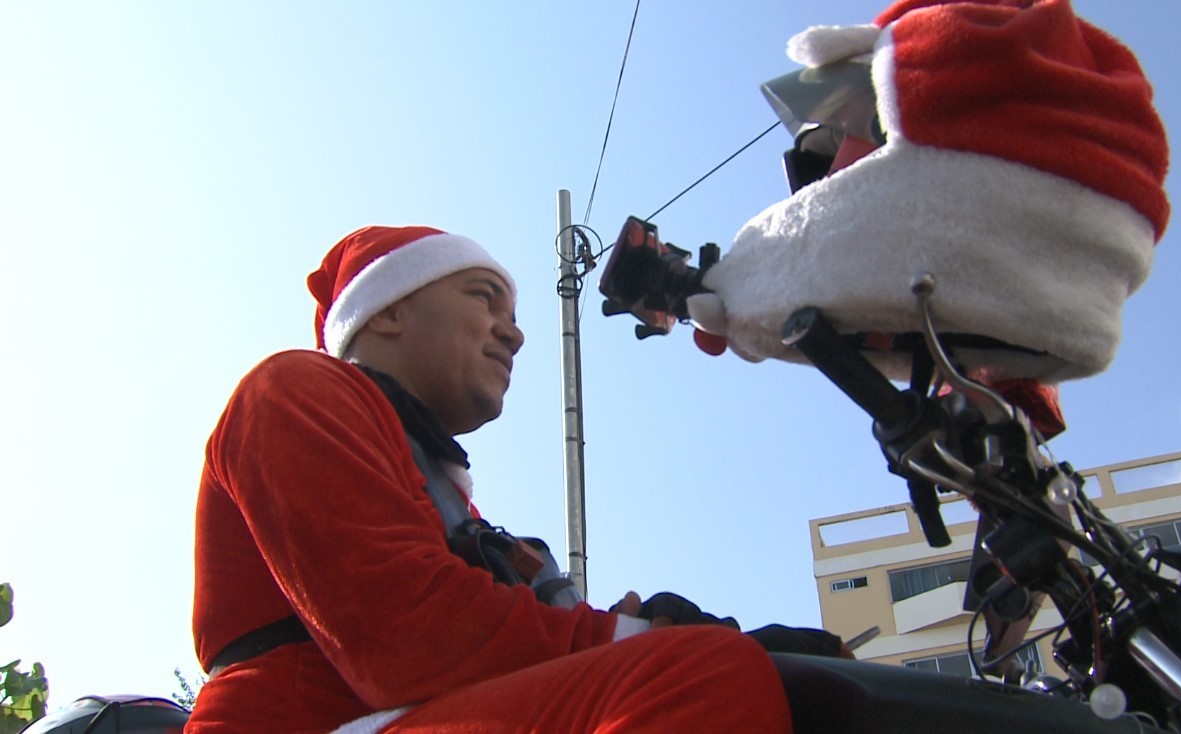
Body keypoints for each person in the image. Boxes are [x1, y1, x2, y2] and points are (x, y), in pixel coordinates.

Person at [187, 225, 796, 733]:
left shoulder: (455, 507)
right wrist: (628, 639)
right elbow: (407, 635)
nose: (517, 333)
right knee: (703, 678)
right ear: (389, 311)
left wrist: (639, 628)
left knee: (804, 686)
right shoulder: (294, 392)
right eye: (484, 299)